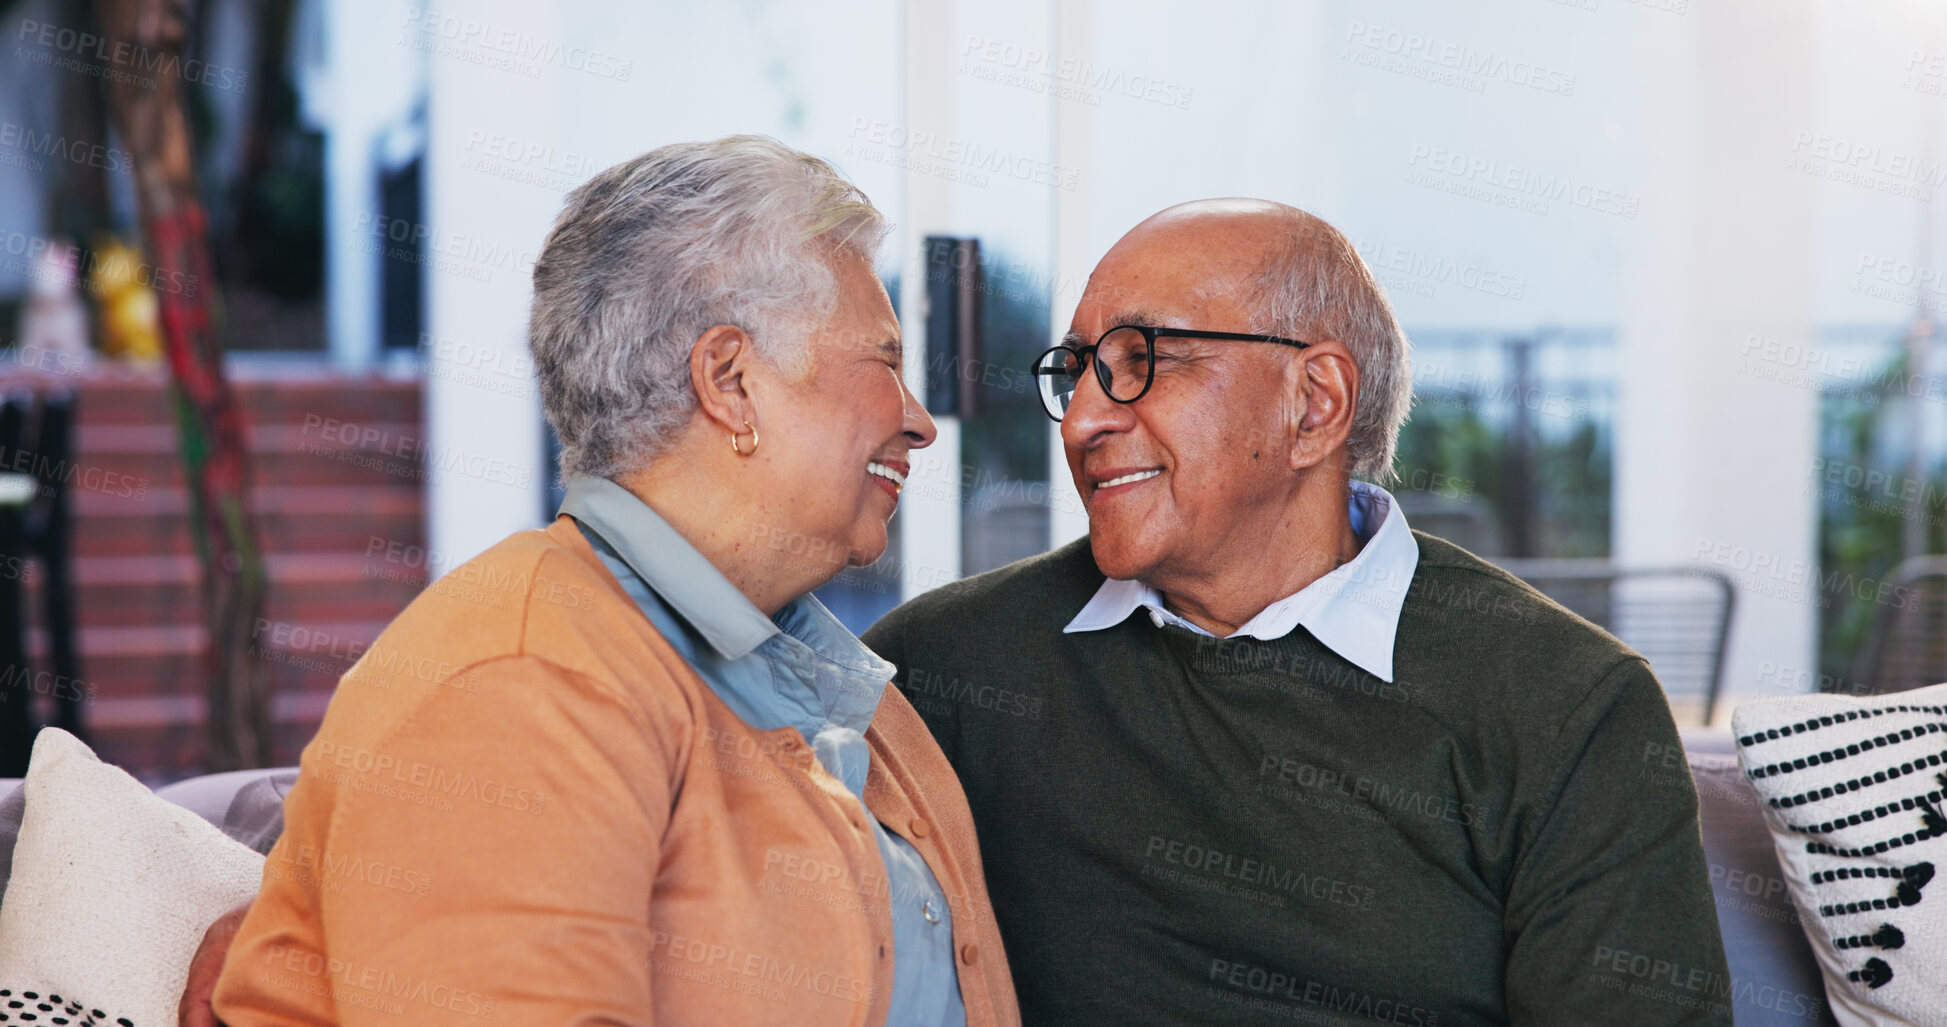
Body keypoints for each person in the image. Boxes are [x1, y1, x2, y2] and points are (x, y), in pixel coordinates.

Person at [212, 136, 1019, 1027]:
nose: (917, 423)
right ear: (731, 380)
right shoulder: (522, 680)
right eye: (884, 360)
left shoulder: (812, 670)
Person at [862, 199, 1730, 1026]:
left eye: (1140, 361)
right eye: (1077, 371)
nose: (1083, 418)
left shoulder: (1567, 704)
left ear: (1313, 404)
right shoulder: (941, 669)